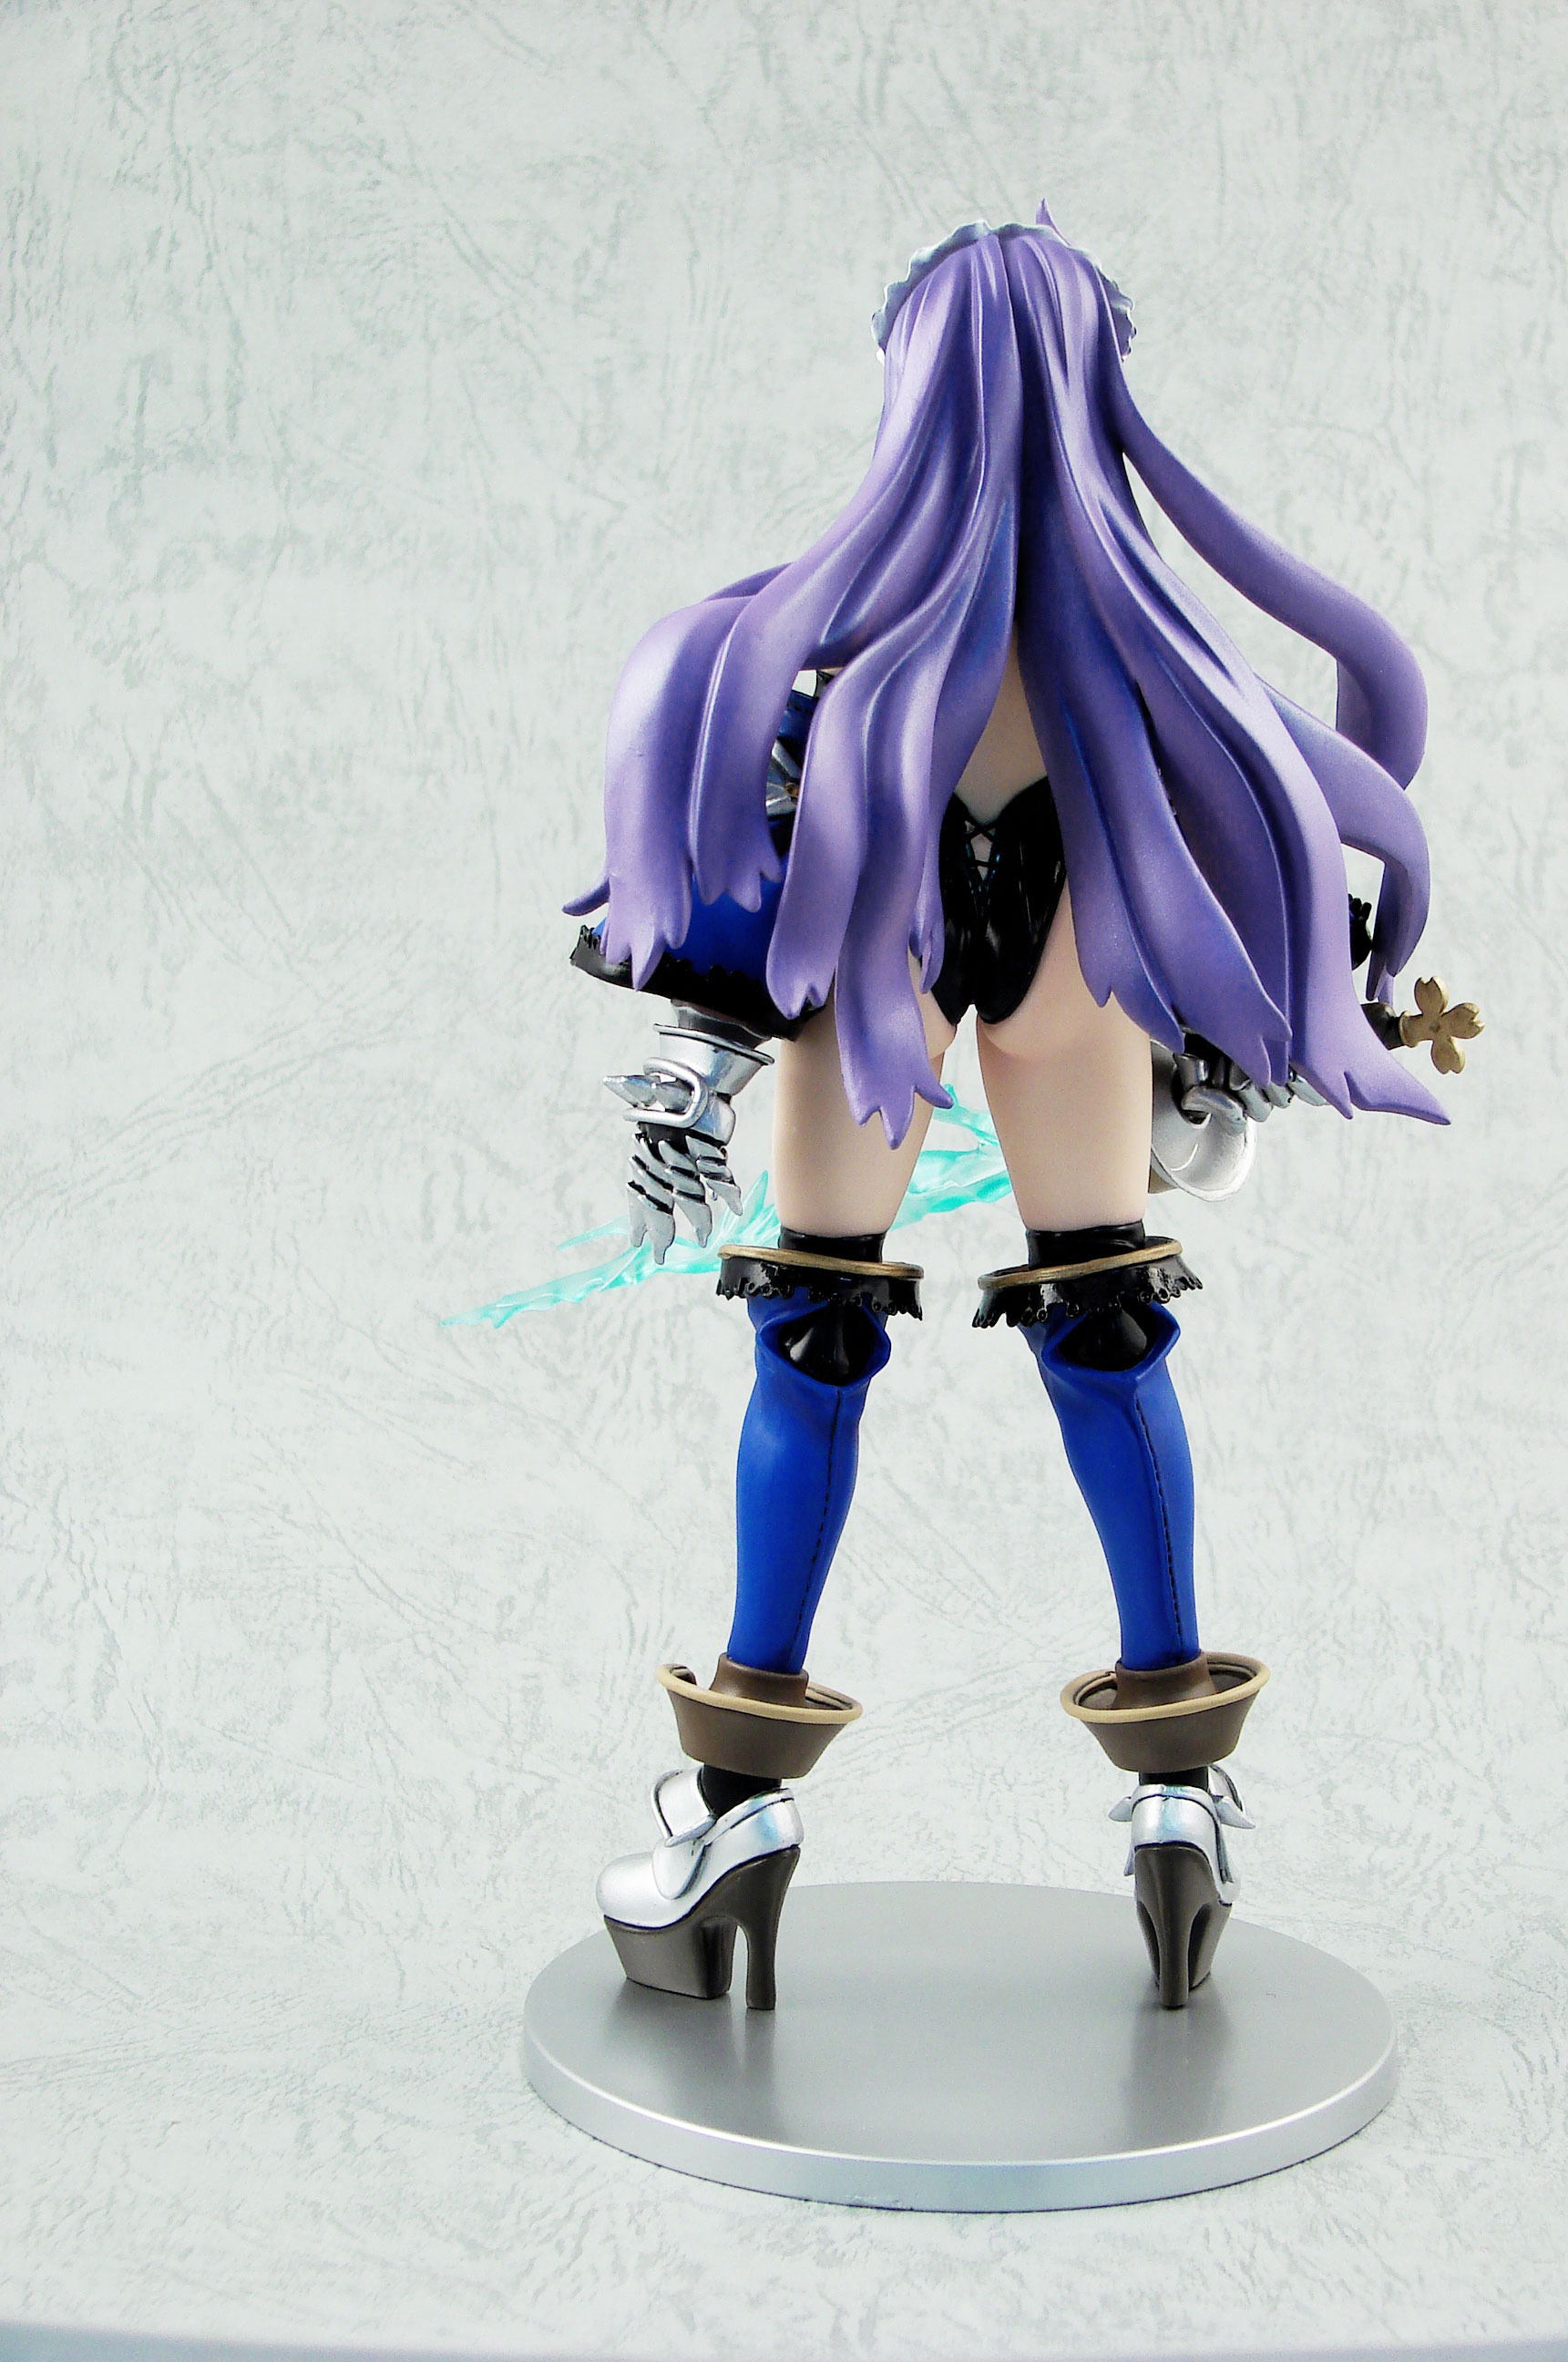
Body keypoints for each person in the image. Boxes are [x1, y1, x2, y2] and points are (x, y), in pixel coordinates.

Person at [565, 211, 1475, 2012]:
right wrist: (1240, 1050)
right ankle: (1180, 1805)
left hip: (887, 944)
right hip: (1072, 949)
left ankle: (732, 1817)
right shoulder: (1139, 677)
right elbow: (1237, 838)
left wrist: (693, 1073)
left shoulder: (841, 669)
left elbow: (749, 885)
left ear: (909, 389)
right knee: (1106, 1323)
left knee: (814, 1332)